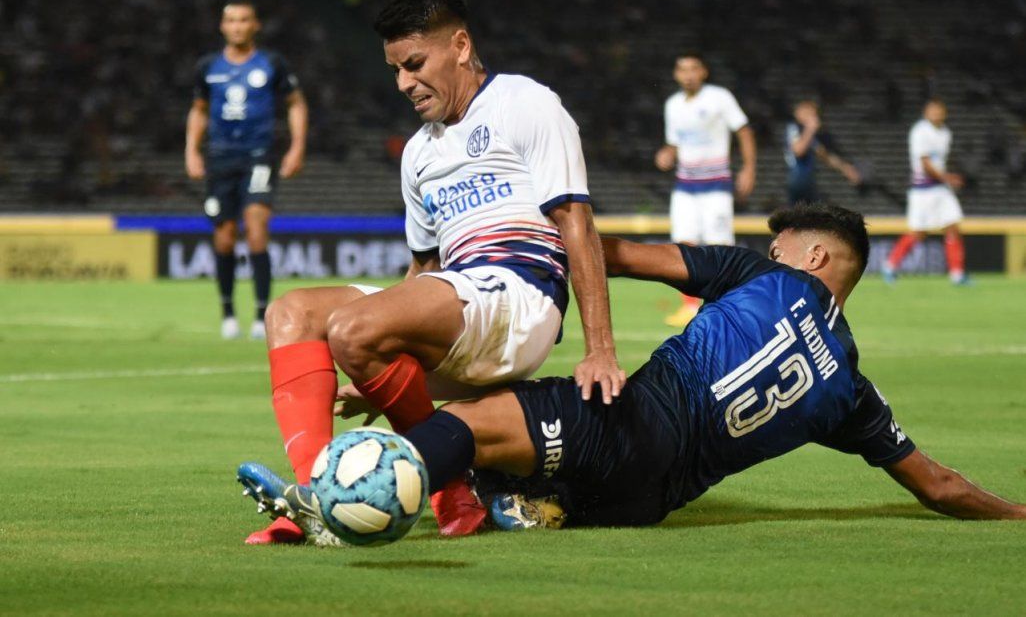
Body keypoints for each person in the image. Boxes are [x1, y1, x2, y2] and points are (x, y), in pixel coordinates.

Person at [240, 203, 1024, 541]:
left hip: (625, 421)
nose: (775, 249)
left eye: (787, 244)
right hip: (648, 503)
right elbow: (941, 487)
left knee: (464, 426)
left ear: (815, 258)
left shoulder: (761, 274)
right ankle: (529, 503)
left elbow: (616, 256)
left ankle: (336, 506)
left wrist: (534, 231)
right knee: (499, 432)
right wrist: (1019, 515)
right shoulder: (854, 390)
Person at [242, 0, 624, 545]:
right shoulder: (419, 151)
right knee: (291, 313)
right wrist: (379, 360)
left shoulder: (524, 102)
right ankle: (317, 503)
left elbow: (577, 225)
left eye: (414, 64)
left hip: (519, 295)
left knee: (353, 329)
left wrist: (601, 349)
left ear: (461, 46)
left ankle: (447, 489)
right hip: (457, 296)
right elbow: (421, 272)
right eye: (395, 69)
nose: (403, 83)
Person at [185, 0, 308, 340]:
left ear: (255, 25)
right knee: (223, 237)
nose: (238, 26)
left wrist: (297, 147)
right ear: (223, 27)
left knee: (256, 225)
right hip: (220, 157)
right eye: (231, 21)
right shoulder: (208, 66)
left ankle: (260, 315)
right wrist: (192, 151)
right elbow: (198, 110)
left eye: (244, 20)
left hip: (258, 154)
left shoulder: (271, 63)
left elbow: (296, 103)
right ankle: (227, 312)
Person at [654, 52, 757, 328]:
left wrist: (748, 168)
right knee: (683, 247)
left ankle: (727, 304)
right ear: (676, 74)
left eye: (693, 68)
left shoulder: (719, 97)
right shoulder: (673, 104)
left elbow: (744, 131)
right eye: (682, 69)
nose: (688, 74)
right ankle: (689, 306)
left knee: (719, 246)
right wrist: (667, 153)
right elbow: (675, 143)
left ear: (704, 72)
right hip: (685, 185)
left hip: (716, 185)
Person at [882, 99, 968, 285]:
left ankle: (957, 274)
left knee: (953, 226)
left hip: (940, 188)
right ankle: (890, 265)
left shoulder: (945, 132)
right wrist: (948, 177)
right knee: (918, 233)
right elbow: (925, 163)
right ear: (926, 112)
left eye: (939, 110)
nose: (936, 113)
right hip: (922, 189)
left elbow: (939, 161)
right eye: (932, 110)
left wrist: (946, 178)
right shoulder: (920, 131)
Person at [784, 100, 862, 205]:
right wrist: (810, 129)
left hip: (808, 179)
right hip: (797, 177)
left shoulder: (809, 136)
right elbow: (798, 150)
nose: (813, 118)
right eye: (810, 114)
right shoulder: (793, 128)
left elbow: (824, 155)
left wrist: (846, 168)